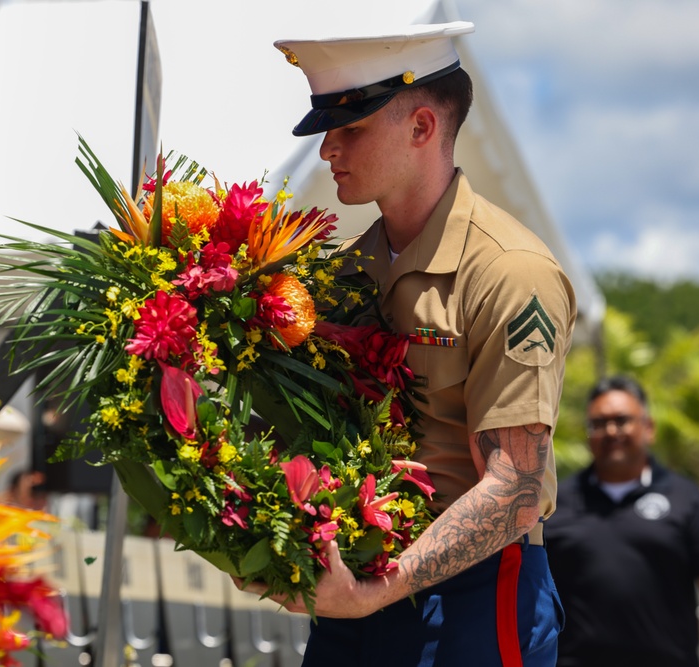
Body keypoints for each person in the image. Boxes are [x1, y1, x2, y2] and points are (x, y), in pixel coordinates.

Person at [239, 21, 578, 666]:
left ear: (422, 127)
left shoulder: (510, 270)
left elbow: (517, 487)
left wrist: (378, 590)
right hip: (361, 584)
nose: (327, 152)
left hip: (473, 593)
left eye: (351, 129)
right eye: (326, 131)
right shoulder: (342, 275)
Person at [544, 376, 699, 667]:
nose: (611, 431)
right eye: (599, 423)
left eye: (622, 420)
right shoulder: (556, 502)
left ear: (648, 428)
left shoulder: (686, 498)